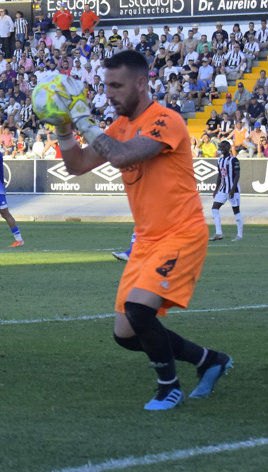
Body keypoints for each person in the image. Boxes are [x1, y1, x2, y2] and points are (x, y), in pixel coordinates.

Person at [52, 49, 232, 410]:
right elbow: (76, 165)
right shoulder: (119, 126)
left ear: (141, 83)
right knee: (126, 334)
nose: (110, 93)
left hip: (181, 233)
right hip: (147, 240)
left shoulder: (166, 120)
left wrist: (83, 119)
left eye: (117, 86)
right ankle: (209, 360)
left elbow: (121, 156)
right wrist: (63, 127)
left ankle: (169, 387)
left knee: (138, 310)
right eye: (106, 86)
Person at [210, 141, 243, 241]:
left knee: (236, 211)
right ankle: (219, 233)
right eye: (220, 147)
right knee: (214, 208)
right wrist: (216, 189)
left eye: (223, 147)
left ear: (228, 147)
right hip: (223, 190)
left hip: (233, 190)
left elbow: (237, 175)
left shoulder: (234, 160)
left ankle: (239, 235)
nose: (222, 148)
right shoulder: (220, 161)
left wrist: (233, 189)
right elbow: (220, 175)